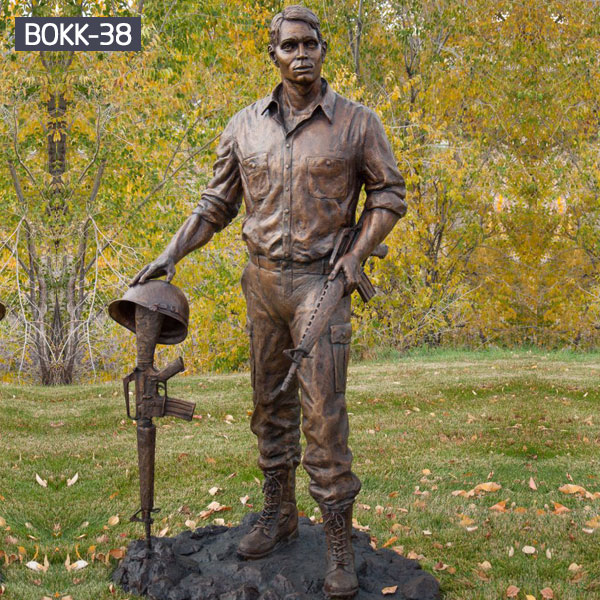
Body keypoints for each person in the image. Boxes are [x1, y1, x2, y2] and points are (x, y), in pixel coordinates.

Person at [132, 5, 406, 597]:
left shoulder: (358, 123)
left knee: (323, 417)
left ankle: (337, 542)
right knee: (268, 407)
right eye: (289, 46)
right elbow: (215, 205)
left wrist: (358, 252)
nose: (300, 54)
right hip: (261, 285)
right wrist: (170, 254)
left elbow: (389, 195)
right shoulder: (243, 126)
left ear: (323, 49)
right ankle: (280, 515)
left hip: (321, 284)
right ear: (273, 53)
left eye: (310, 44)